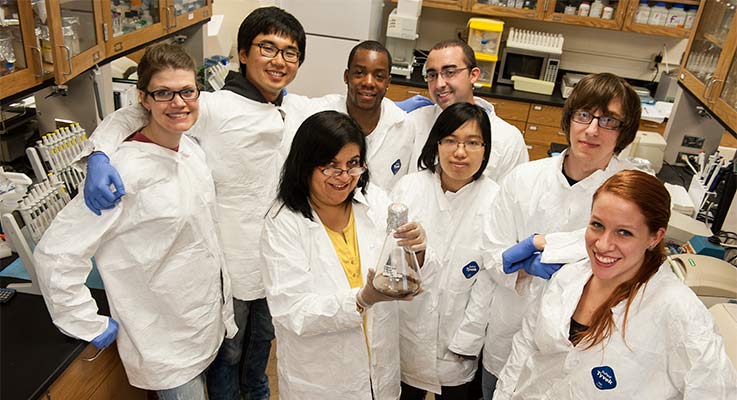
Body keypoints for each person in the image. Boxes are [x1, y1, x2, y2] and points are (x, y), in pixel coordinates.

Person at [80, 7, 306, 400]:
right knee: (227, 362)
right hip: (226, 270)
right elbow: (133, 114)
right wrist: (98, 154)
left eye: (290, 52)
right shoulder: (214, 106)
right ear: (242, 53)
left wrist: (399, 112)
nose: (278, 60)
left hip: (271, 264)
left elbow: (336, 106)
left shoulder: (290, 107)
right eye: (267, 47)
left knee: (259, 356)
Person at [33, 43, 237, 399]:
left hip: (201, 320)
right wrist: (83, 320)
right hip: (161, 338)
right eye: (164, 93)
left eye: (187, 91)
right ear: (143, 98)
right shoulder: (122, 171)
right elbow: (57, 253)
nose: (179, 103)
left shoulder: (189, 149)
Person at [493, 170, 737, 398]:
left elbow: (715, 391)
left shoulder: (678, 311)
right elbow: (525, 347)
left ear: (655, 237)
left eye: (624, 232)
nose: (602, 245)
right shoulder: (569, 276)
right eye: (597, 225)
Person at [478, 72, 644, 399]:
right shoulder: (523, 180)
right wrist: (523, 266)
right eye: (584, 115)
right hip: (509, 332)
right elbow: (491, 255)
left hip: (581, 350)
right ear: (570, 118)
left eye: (609, 121)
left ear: (624, 132)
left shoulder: (631, 197)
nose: (592, 129)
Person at [260, 110, 428, 399]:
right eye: (330, 166)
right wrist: (362, 300)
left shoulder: (373, 200)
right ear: (305, 165)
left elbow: (400, 265)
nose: (344, 176)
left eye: (353, 164)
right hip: (323, 378)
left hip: (379, 367)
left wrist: (417, 249)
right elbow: (293, 312)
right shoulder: (283, 223)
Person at [391, 102, 498, 399]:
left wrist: (467, 342)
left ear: (485, 149)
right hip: (404, 332)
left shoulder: (497, 200)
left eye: (472, 142)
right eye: (450, 140)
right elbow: (386, 256)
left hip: (459, 341)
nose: (460, 152)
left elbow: (490, 284)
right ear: (436, 144)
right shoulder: (409, 188)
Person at [286, 40, 414, 190]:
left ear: (388, 82)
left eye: (379, 76)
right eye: (359, 73)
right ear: (346, 76)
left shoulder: (404, 125)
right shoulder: (319, 116)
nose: (368, 82)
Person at [406, 39, 528, 183]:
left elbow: (512, 198)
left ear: (473, 75)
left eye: (450, 72)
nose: (439, 84)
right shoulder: (415, 121)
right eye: (432, 75)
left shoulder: (508, 140)